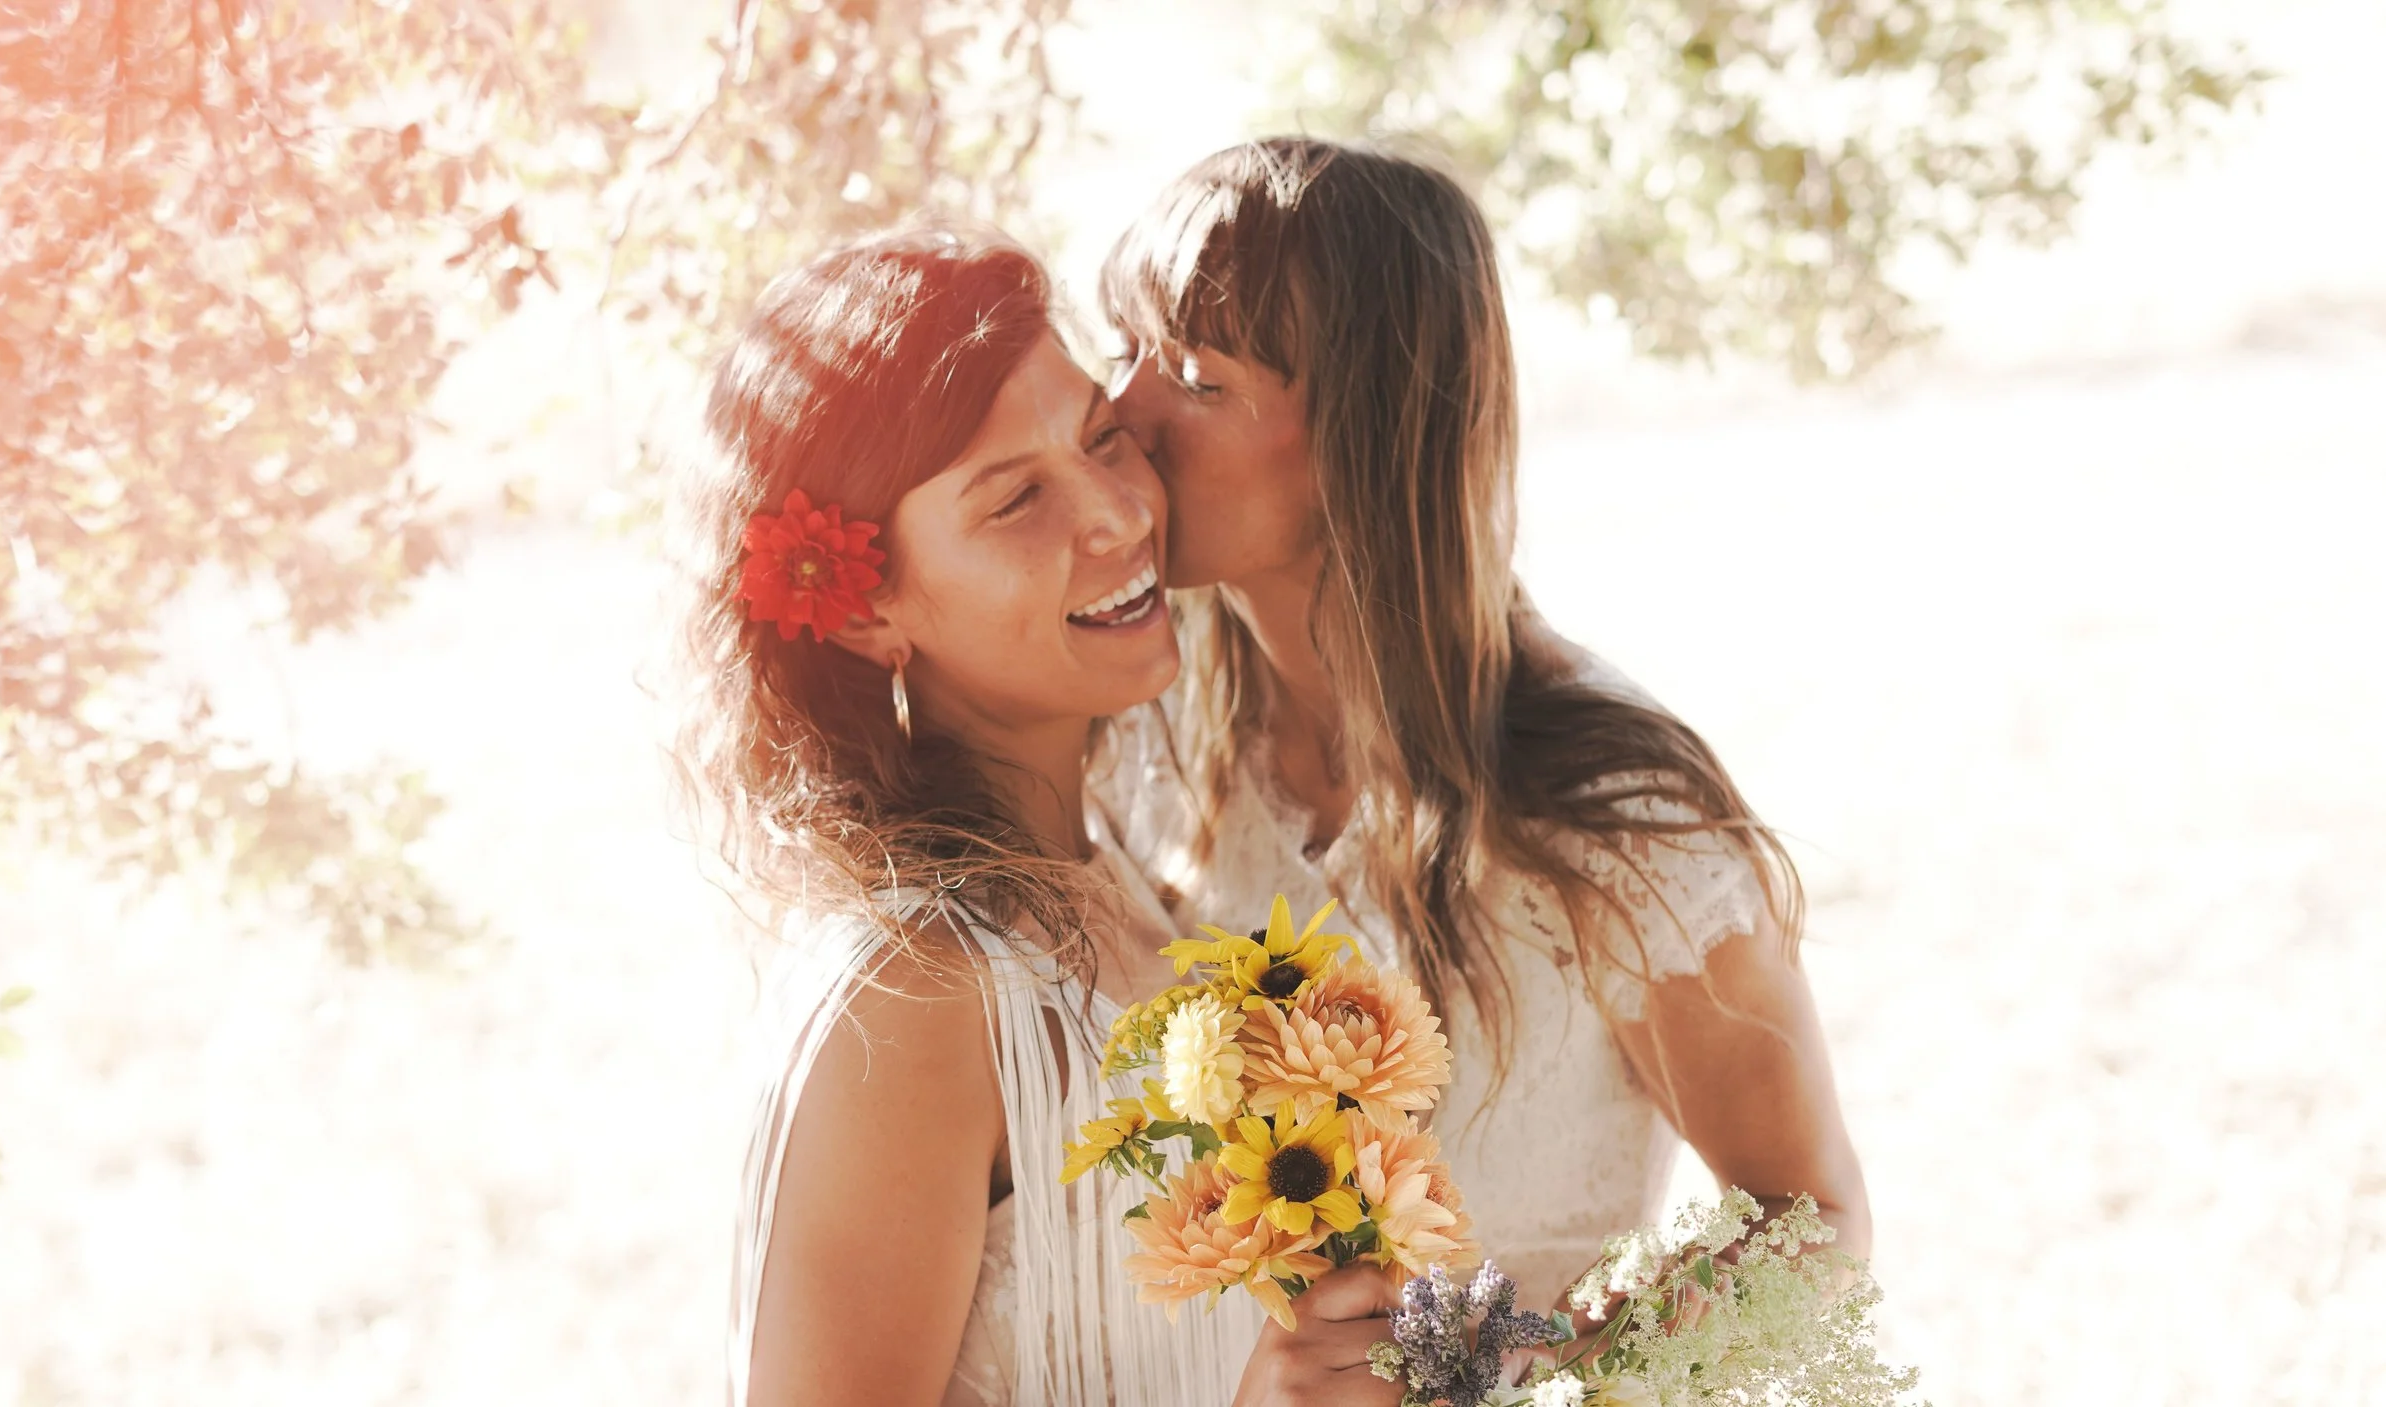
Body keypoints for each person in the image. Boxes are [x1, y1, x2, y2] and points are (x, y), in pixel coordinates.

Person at [1094, 139, 1874, 1402]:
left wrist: (1482, 1372)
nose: (1119, 413)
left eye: (1193, 376)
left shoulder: (1612, 819)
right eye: (1117, 345)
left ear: (1363, 431)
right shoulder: (1141, 729)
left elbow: (1810, 1226)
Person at [678, 228, 1259, 1405]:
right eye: (1015, 502)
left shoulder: (1131, 881)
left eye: (1102, 438)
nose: (1113, 516)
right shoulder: (917, 996)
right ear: (860, 615)